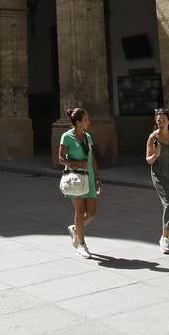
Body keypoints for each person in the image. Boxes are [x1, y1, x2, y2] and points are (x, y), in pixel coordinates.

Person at [58, 107, 101, 258]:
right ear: (78, 122)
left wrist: (97, 177)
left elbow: (92, 158)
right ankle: (81, 244)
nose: (88, 121)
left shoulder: (87, 136)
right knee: (80, 211)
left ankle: (76, 229)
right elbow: (61, 159)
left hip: (89, 178)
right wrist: (77, 163)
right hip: (75, 178)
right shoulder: (66, 137)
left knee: (92, 212)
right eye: (86, 119)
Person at [145, 108, 169, 253]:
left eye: (163, 120)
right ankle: (164, 238)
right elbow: (148, 160)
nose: (161, 123)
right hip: (159, 174)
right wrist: (156, 155)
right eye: (158, 121)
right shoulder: (153, 137)